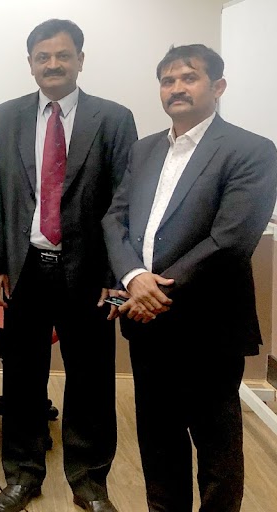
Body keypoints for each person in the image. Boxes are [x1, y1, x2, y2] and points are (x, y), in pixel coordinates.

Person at [103, 44, 277, 512]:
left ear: (217, 87)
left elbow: (230, 240)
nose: (176, 88)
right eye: (167, 80)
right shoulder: (144, 150)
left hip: (208, 327)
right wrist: (134, 276)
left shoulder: (251, 150)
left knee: (216, 444)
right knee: (158, 438)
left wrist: (152, 291)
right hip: (147, 325)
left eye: (189, 77)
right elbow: (115, 219)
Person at [0, 19, 137, 512]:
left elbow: (125, 201)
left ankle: (89, 480)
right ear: (30, 63)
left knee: (91, 379)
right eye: (43, 57)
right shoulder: (6, 116)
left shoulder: (113, 118)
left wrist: (117, 275)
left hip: (90, 274)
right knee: (22, 376)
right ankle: (23, 473)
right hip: (25, 267)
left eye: (63, 55)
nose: (53, 64)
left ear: (80, 60)